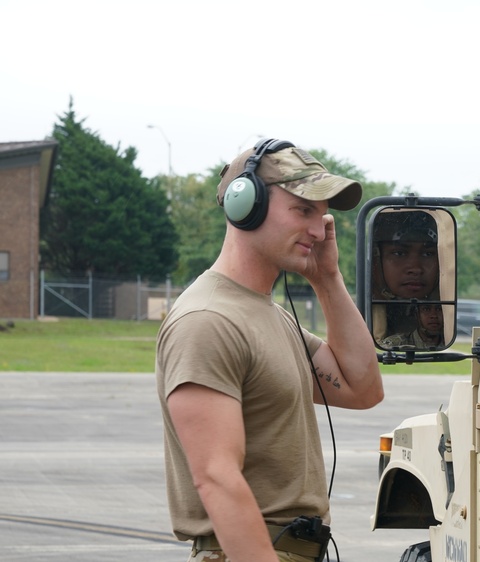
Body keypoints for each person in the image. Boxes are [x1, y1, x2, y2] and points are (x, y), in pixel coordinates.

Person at [155, 139, 383, 562]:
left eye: (322, 214)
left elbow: (362, 389)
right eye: (302, 210)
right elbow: (216, 477)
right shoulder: (208, 321)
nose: (319, 231)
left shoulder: (272, 317)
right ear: (247, 206)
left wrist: (327, 278)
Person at [370, 211, 440, 343]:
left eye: (428, 254)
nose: (416, 269)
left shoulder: (445, 320)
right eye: (399, 253)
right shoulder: (357, 317)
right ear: (377, 261)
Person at [380, 303, 445, 350]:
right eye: (426, 309)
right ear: (416, 315)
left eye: (439, 309)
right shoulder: (395, 343)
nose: (434, 315)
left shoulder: (449, 344)